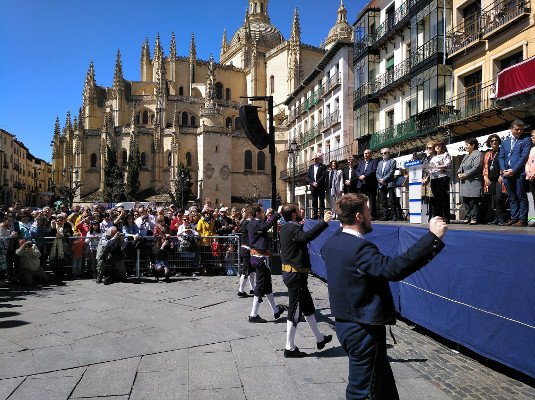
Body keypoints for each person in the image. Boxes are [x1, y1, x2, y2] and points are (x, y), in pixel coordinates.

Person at [320, 194, 447, 399]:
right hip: (362, 329)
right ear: (359, 216)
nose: (372, 215)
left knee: (382, 385)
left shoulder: (332, 243)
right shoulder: (360, 248)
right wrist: (432, 238)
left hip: (346, 324)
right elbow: (394, 269)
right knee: (362, 392)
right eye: (369, 211)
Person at [279, 203, 333, 358]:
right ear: (294, 215)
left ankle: (319, 338)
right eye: (298, 210)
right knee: (294, 311)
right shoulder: (292, 228)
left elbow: (301, 233)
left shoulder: (287, 227)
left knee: (308, 308)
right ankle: (289, 347)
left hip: (297, 276)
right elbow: (306, 237)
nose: (301, 211)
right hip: (295, 276)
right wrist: (324, 223)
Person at [247, 203, 286, 323]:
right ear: (257, 213)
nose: (264, 213)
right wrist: (278, 214)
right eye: (263, 212)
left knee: (267, 285)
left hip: (260, 257)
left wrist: (270, 216)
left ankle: (275, 310)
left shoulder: (254, 223)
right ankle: (253, 314)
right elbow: (266, 225)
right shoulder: (255, 223)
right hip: (259, 258)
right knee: (259, 286)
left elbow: (265, 224)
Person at [499, 119, 531, 226]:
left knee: (521, 196)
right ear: (511, 129)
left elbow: (524, 157)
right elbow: (501, 157)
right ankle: (514, 217)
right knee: (511, 196)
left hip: (518, 173)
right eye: (517, 130)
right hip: (506, 173)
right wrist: (504, 170)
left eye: (521, 130)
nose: (519, 132)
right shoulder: (505, 142)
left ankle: (522, 219)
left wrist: (513, 170)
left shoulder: (525, 140)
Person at [458, 138, 484, 225]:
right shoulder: (466, 156)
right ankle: (468, 217)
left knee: (473, 200)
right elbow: (461, 166)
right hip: (465, 181)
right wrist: (459, 173)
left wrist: (466, 174)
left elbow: (477, 167)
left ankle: (474, 218)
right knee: (466, 200)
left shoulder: (478, 154)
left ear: (473, 145)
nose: (466, 147)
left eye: (467, 145)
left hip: (473, 181)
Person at [483, 134, 508, 225]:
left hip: (499, 178)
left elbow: (505, 164)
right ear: (490, 143)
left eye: (496, 140)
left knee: (499, 198)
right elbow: (485, 167)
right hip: (491, 178)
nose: (494, 142)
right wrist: (485, 177)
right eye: (492, 141)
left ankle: (502, 217)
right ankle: (497, 217)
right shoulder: (488, 154)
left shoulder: (502, 152)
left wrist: (502, 175)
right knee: (494, 198)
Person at [428, 140, 452, 223]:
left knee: (443, 197)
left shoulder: (445, 155)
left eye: (439, 146)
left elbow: (447, 165)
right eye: (436, 146)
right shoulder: (433, 157)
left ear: (442, 147)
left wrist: (436, 166)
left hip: (442, 177)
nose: (437, 147)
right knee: (436, 198)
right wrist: (425, 168)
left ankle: (446, 216)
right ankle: (438, 215)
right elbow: (430, 168)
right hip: (434, 178)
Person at [356, 149, 378, 219]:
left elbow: (373, 170)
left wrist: (365, 176)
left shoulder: (374, 162)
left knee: (372, 200)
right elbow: (357, 171)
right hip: (362, 184)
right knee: (361, 200)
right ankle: (362, 214)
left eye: (367, 153)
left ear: (370, 154)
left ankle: (372, 215)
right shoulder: (361, 163)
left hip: (370, 184)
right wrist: (360, 176)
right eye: (364, 153)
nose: (365, 155)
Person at [237, 208, 255, 297]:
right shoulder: (246, 222)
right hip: (246, 249)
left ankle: (253, 288)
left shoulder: (247, 222)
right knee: (246, 270)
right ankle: (241, 290)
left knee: (251, 270)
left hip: (249, 249)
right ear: (250, 215)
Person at [376, 148, 396, 221]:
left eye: (385, 153)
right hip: (381, 184)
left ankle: (394, 215)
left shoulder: (392, 161)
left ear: (388, 153)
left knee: (392, 199)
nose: (383, 154)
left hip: (389, 183)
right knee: (383, 200)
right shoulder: (379, 163)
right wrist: (380, 180)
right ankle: (385, 215)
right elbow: (377, 173)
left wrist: (384, 179)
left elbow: (391, 172)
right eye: (382, 153)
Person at [306, 153, 327, 219]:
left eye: (315, 159)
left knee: (321, 201)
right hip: (313, 187)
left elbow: (323, 176)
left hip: (320, 186)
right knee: (314, 201)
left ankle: (321, 215)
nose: (314, 160)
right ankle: (315, 215)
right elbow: (308, 177)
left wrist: (317, 182)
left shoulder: (323, 166)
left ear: (318, 159)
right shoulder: (311, 167)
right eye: (313, 159)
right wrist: (312, 183)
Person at [421, 142, 436, 220]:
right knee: (425, 198)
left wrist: (427, 178)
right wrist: (421, 178)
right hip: (424, 180)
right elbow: (423, 168)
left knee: (432, 199)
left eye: (430, 148)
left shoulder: (436, 158)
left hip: (432, 179)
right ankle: (426, 216)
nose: (429, 149)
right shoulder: (426, 158)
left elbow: (433, 169)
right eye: (427, 148)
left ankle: (432, 215)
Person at [524, 130, 535, 226]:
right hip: (531, 177)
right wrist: (528, 173)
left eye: (534, 136)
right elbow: (528, 162)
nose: (532, 138)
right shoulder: (531, 149)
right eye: (531, 136)